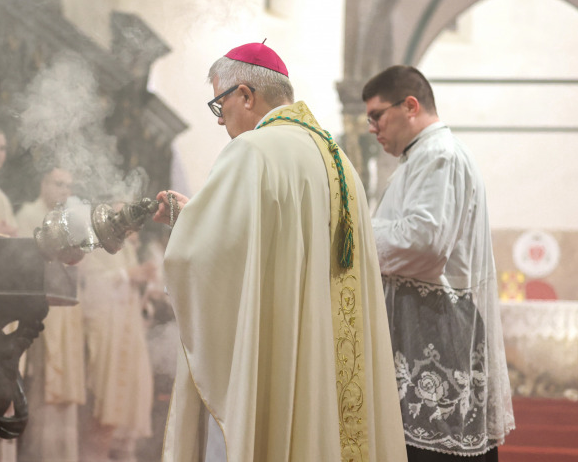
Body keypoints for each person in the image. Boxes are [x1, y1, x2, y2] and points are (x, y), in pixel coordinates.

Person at [153, 42, 406, 461]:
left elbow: (208, 263)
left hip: (277, 364)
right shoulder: (342, 165)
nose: (221, 122)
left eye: (221, 105)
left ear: (247, 96)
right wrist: (198, 216)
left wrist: (186, 222)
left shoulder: (252, 151)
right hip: (329, 371)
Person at [361, 65, 515, 461]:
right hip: (426, 325)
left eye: (376, 115)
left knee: (435, 451)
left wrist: (353, 231)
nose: (372, 127)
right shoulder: (420, 158)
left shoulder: (438, 155)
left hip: (437, 328)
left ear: (410, 105)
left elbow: (424, 243)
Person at [15, 167, 86, 462]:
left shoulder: (72, 219)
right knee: (41, 386)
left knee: (65, 391)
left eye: (69, 185)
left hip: (67, 315)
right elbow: (19, 264)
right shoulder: (28, 215)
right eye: (58, 184)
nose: (64, 191)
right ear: (43, 184)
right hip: (39, 313)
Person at [78, 230, 155, 462]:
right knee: (101, 420)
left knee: (124, 420)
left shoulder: (129, 247)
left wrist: (142, 282)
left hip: (128, 334)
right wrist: (127, 274)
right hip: (106, 337)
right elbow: (89, 285)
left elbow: (136, 296)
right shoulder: (95, 241)